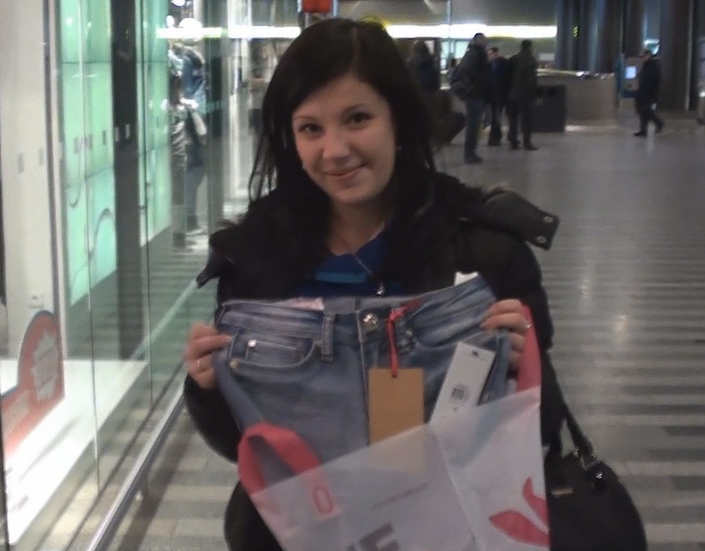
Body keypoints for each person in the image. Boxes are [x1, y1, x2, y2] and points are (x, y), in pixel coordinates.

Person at [181, 19, 565, 551]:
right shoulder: (254, 260)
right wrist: (206, 387)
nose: (335, 150)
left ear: (398, 120)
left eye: (357, 118)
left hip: (446, 532)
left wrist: (521, 371)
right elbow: (244, 445)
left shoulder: (481, 252)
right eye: (310, 128)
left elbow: (542, 429)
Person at [455, 32, 490, 163]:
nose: (485, 42)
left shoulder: (472, 53)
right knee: (473, 125)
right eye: (483, 40)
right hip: (474, 93)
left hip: (474, 93)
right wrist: (479, 81)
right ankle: (469, 154)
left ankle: (471, 153)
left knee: (474, 125)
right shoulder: (476, 53)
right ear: (478, 41)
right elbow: (470, 71)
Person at [507, 39, 539, 150]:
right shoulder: (531, 60)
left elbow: (507, 76)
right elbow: (532, 79)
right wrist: (534, 93)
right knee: (526, 120)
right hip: (525, 94)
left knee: (513, 119)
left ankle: (513, 141)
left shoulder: (513, 59)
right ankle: (527, 142)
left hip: (512, 94)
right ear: (530, 47)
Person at [634, 48, 664, 136]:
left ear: (649, 55)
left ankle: (659, 123)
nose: (642, 58)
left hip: (649, 92)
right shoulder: (646, 65)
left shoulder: (653, 66)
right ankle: (643, 129)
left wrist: (651, 91)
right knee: (642, 111)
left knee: (646, 110)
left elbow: (655, 80)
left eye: (644, 56)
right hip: (643, 91)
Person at [486, 46, 511, 147]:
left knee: (495, 117)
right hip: (500, 95)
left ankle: (494, 138)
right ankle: (496, 138)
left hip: (495, 96)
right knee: (497, 117)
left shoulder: (493, 65)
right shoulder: (502, 63)